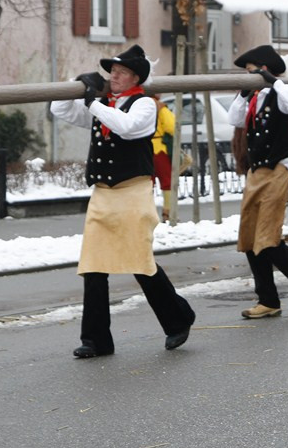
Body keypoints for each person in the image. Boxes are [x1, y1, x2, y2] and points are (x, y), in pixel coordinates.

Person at [50, 44, 195, 358]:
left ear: (135, 78)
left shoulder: (144, 105)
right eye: (111, 71)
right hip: (103, 192)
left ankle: (178, 318)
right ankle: (96, 340)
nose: (113, 76)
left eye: (120, 72)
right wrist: (77, 87)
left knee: (139, 262)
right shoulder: (104, 104)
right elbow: (59, 111)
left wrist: (93, 102)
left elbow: (127, 128)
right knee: (93, 265)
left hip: (133, 191)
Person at [228, 44, 288, 319]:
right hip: (257, 171)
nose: (248, 75)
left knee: (267, 237)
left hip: (279, 169)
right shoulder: (255, 99)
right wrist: (244, 93)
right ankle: (268, 299)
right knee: (249, 237)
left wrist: (274, 82)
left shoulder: (280, 94)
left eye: (250, 71)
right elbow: (234, 118)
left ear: (264, 69)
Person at [152, 96, 175, 222]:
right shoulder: (159, 107)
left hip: (142, 149)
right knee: (167, 181)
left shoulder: (134, 104)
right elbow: (171, 127)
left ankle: (148, 212)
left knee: (146, 183)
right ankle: (168, 211)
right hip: (159, 148)